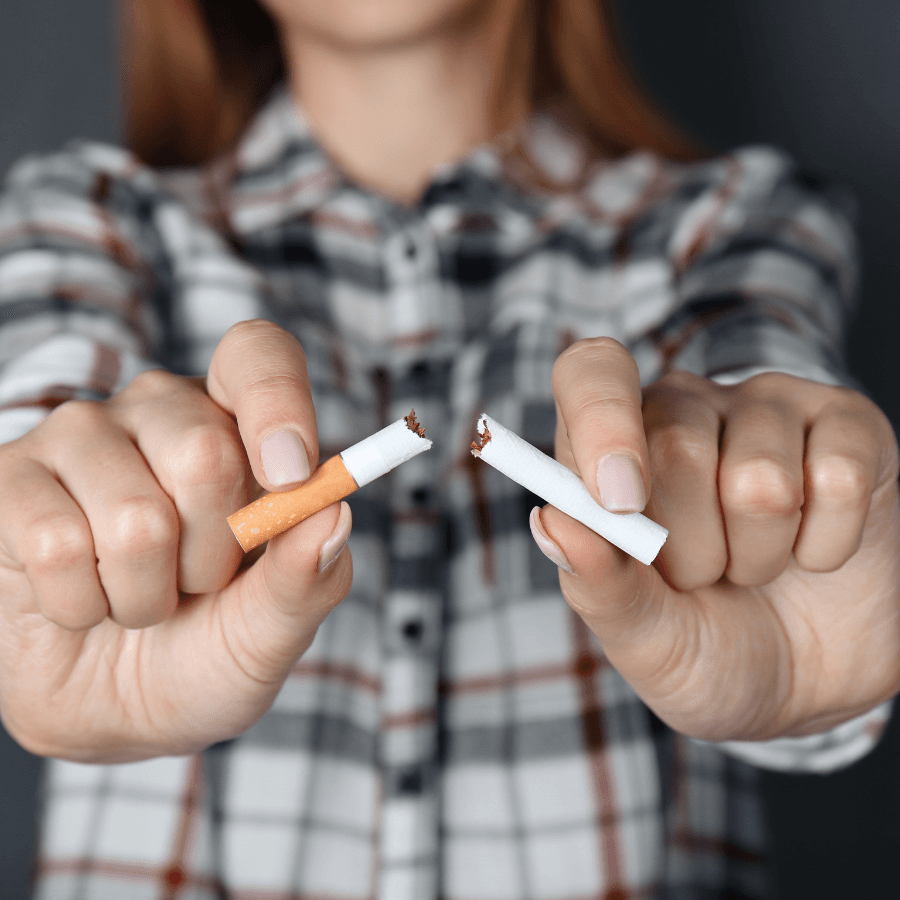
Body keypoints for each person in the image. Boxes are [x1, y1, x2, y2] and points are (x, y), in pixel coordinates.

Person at [0, 0, 898, 896]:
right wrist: (49, 545)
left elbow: (755, 370)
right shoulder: (87, 221)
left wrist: (799, 519)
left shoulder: (735, 222)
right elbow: (41, 408)